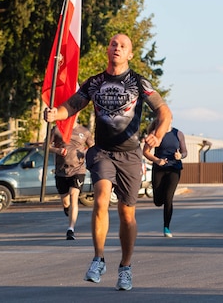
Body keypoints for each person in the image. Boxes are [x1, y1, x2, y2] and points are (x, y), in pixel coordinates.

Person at [43, 33, 172, 291]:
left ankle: (125, 267)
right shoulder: (95, 82)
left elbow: (164, 112)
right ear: (107, 49)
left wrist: (157, 134)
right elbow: (72, 104)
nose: (117, 48)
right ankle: (98, 258)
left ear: (130, 54)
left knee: (127, 214)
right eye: (114, 44)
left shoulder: (138, 82)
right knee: (101, 199)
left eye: (123, 46)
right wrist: (55, 113)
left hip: (131, 155)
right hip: (103, 151)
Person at [49, 116, 94, 240]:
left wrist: (85, 153)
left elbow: (92, 147)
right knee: (66, 201)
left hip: (78, 170)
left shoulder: (84, 131)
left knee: (74, 195)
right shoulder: (57, 129)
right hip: (61, 171)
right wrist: (57, 150)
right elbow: (46, 146)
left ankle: (71, 229)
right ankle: (66, 208)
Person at [142, 121, 188, 238]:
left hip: (174, 169)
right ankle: (159, 200)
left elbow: (185, 152)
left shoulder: (178, 134)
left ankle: (166, 227)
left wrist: (180, 156)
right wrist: (157, 160)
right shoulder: (155, 133)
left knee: (168, 198)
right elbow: (145, 152)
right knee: (158, 201)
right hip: (159, 168)